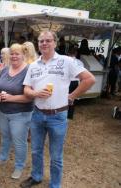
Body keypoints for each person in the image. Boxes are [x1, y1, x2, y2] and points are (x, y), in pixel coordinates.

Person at [21, 31, 95, 188]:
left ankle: (55, 185)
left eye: (48, 40)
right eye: (41, 41)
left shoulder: (66, 61)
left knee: (56, 156)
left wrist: (72, 96)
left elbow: (89, 79)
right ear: (38, 44)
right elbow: (26, 89)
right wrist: (35, 93)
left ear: (55, 43)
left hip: (58, 116)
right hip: (37, 115)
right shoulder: (33, 65)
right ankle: (36, 176)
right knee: (35, 150)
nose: (44, 43)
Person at [0, 43, 33, 179]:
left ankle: (19, 166)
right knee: (5, 137)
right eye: (12, 53)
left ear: (23, 55)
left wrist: (11, 98)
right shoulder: (5, 69)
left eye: (17, 53)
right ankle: (3, 157)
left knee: (19, 141)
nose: (14, 56)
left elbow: (30, 97)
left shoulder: (29, 70)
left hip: (20, 113)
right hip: (3, 112)